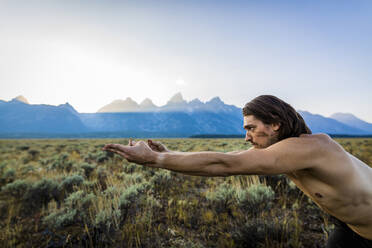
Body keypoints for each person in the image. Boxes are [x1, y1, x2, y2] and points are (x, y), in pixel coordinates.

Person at [103, 95, 372, 247]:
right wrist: (167, 154)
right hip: (350, 229)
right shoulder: (284, 151)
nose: (246, 137)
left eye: (250, 128)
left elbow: (225, 165)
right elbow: (227, 157)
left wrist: (153, 161)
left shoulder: (312, 148)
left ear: (275, 124)